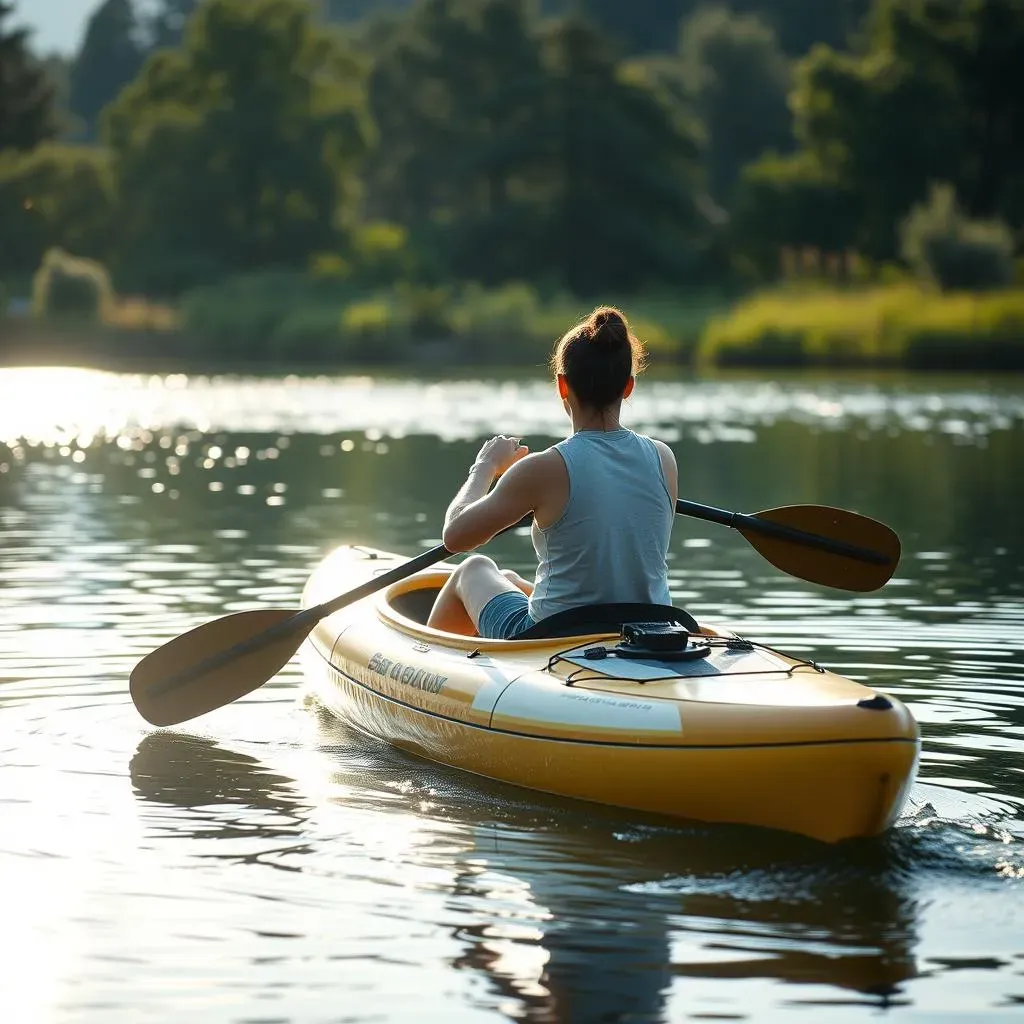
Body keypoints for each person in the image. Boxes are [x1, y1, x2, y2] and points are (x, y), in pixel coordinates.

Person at [427, 306, 679, 638]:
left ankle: (426, 675)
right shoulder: (663, 458)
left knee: (473, 569)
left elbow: (455, 536)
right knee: (512, 582)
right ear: (628, 386)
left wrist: (485, 466)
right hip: (651, 630)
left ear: (562, 385)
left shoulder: (545, 468)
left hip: (556, 638)